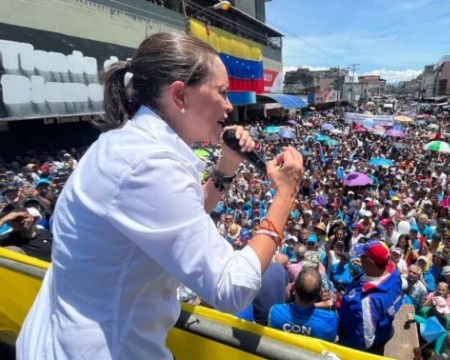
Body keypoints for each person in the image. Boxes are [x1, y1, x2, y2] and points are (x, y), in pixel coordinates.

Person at [16, 33, 304, 360]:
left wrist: (227, 165)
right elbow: (231, 287)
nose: (229, 106)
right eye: (222, 92)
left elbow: (180, 217)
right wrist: (285, 196)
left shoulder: (126, 145)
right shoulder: (148, 165)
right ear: (179, 95)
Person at [337, 240, 403, 355]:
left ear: (371, 263)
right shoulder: (394, 274)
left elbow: (363, 343)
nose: (360, 257)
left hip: (354, 343)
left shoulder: (365, 302)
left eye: (363, 255)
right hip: (384, 329)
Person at [268, 267, 338, 342]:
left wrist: (288, 296)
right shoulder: (330, 319)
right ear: (320, 292)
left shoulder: (275, 312)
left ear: (294, 287)